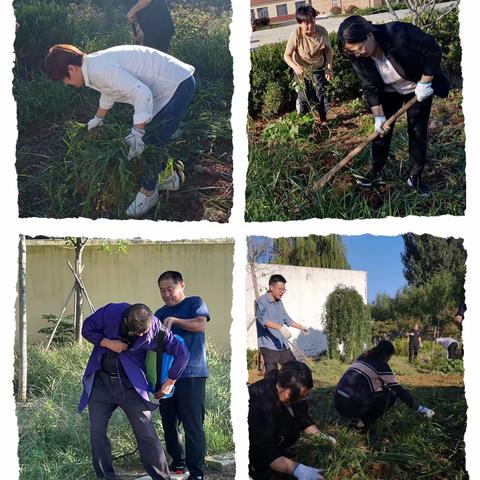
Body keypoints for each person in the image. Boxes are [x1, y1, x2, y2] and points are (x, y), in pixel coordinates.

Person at [45, 44, 196, 217]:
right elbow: (110, 90)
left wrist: (137, 134)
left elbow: (141, 93)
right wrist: (98, 118)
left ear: (71, 68)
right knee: (155, 138)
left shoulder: (100, 69)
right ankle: (168, 178)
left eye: (65, 79)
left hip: (177, 86)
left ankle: (148, 193)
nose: (67, 83)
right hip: (173, 83)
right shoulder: (93, 66)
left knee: (151, 143)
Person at [337, 15, 450, 196]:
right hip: (389, 91)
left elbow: (433, 50)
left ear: (370, 36)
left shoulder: (399, 33)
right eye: (353, 52)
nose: (358, 54)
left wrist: (425, 82)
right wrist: (379, 116)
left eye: (359, 49)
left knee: (417, 131)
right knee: (382, 132)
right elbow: (369, 86)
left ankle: (415, 177)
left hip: (418, 88)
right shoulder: (357, 56)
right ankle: (375, 170)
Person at [78, 302, 190, 480]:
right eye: (134, 332)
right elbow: (87, 328)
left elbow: (182, 353)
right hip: (102, 384)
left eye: (142, 333)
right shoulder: (111, 312)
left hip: (132, 387)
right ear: (124, 320)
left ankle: (162, 477)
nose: (138, 336)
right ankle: (106, 476)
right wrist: (108, 342)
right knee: (97, 433)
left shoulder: (159, 331)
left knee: (146, 434)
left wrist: (170, 381)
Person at [155, 271, 210, 480]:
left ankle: (196, 473)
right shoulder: (159, 313)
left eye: (170, 289)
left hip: (192, 374)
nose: (166, 294)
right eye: (162, 290)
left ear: (182, 285)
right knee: (169, 422)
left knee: (192, 425)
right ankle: (178, 462)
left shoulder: (195, 303)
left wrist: (174, 321)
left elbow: (200, 324)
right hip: (166, 377)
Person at [249, 361, 333, 480]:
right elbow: (267, 452)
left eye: (303, 396)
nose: (300, 400)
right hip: (254, 456)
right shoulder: (257, 405)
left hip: (280, 449)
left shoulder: (294, 391)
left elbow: (303, 419)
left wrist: (322, 437)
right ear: (280, 386)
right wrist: (296, 469)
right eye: (296, 396)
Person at [334, 340, 434, 432]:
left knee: (381, 392)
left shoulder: (363, 357)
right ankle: (360, 426)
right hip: (350, 406)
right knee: (391, 396)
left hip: (337, 401)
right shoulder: (382, 365)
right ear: (387, 356)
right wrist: (420, 408)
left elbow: (368, 382)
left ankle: (351, 418)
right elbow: (398, 390)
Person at [284, 6, 334, 126]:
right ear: (300, 23)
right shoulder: (295, 35)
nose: (310, 26)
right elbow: (287, 55)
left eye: (312, 22)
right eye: (306, 23)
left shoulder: (322, 32)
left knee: (319, 94)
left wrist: (329, 67)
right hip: (301, 69)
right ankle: (304, 122)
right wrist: (295, 67)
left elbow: (329, 51)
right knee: (303, 96)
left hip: (318, 67)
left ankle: (323, 120)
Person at [256, 274, 310, 376]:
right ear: (271, 287)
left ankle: (290, 391)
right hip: (269, 344)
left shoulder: (279, 302)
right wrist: (279, 327)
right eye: (280, 289)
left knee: (294, 369)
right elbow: (263, 319)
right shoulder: (262, 301)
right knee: (272, 375)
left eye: (284, 290)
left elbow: (287, 319)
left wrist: (302, 327)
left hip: (282, 343)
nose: (282, 292)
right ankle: (272, 391)